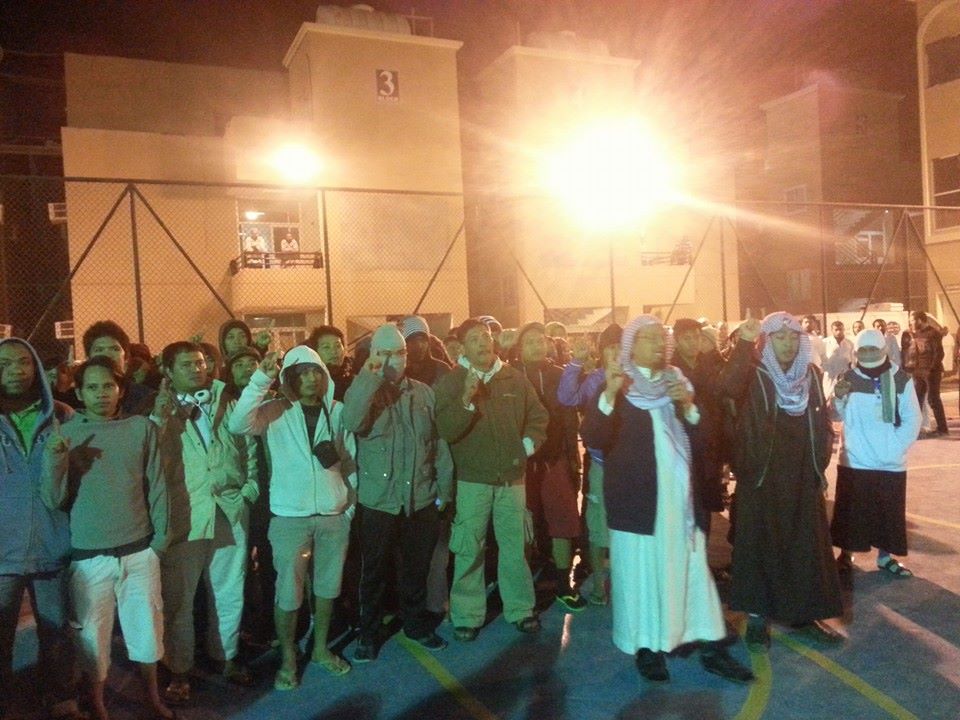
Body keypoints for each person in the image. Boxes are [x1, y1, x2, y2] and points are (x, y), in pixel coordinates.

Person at [580, 315, 753, 684]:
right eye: (648, 337)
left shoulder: (677, 382)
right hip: (637, 506)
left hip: (681, 504)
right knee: (642, 576)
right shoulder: (619, 384)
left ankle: (709, 645)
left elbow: (704, 439)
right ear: (631, 345)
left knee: (691, 572)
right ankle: (648, 648)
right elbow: (594, 436)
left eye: (662, 337)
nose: (659, 343)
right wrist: (609, 395)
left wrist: (688, 405)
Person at [41, 356, 173, 720]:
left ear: (121, 390)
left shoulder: (140, 428)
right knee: (93, 635)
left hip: (139, 550)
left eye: (108, 386)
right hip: (89, 556)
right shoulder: (66, 435)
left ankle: (152, 697)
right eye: (92, 387)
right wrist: (56, 459)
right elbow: (53, 499)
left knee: (147, 630)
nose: (101, 394)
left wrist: (159, 543)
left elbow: (157, 486)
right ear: (80, 392)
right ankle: (97, 703)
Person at [229, 345, 356, 688]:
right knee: (288, 592)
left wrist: (348, 508)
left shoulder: (339, 411)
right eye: (302, 373)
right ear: (289, 378)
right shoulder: (273, 410)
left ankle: (320, 649)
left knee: (327, 588)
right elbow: (237, 423)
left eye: (316, 371)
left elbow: (350, 460)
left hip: (332, 517)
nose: (311, 378)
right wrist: (262, 378)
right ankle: (287, 658)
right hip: (289, 518)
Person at [721, 313, 843, 649]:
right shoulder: (753, 372)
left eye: (793, 337)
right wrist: (744, 344)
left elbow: (821, 422)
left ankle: (804, 614)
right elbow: (726, 387)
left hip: (802, 475)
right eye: (779, 337)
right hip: (762, 475)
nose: (787, 344)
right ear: (767, 340)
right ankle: (757, 617)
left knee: (804, 547)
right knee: (759, 544)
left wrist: (819, 466)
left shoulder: (811, 375)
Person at [152, 341, 258, 704]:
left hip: (230, 508)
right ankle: (179, 669)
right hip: (184, 515)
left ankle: (225, 657)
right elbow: (150, 460)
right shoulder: (159, 409)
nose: (197, 369)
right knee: (179, 598)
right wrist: (160, 418)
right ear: (168, 371)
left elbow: (247, 444)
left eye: (200, 362)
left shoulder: (226, 400)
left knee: (229, 590)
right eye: (186, 365)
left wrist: (250, 487)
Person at [342, 324, 453, 661]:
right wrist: (369, 377)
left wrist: (443, 491)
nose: (395, 359)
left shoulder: (424, 394)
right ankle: (369, 632)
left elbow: (438, 445)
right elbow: (352, 421)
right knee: (373, 572)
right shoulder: (364, 391)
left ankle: (416, 625)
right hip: (379, 501)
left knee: (416, 569)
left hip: (420, 499)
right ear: (374, 355)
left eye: (400, 352)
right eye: (385, 353)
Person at [434, 318, 549, 641]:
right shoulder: (452, 382)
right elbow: (446, 430)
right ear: (463, 347)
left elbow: (539, 417)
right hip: (472, 481)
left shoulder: (514, 378)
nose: (483, 343)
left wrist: (526, 447)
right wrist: (466, 399)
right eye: (474, 339)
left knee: (515, 547)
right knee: (469, 549)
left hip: (512, 479)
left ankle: (521, 609)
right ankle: (467, 615)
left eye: (485, 336)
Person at [0, 338, 82, 720]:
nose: (15, 371)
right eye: (5, 364)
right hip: (3, 552)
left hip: (51, 545)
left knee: (56, 632)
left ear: (35, 367)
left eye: (23, 362)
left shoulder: (62, 417)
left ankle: (61, 695)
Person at [830, 330, 921, 581]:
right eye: (863, 350)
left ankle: (885, 557)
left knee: (887, 513)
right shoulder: (846, 378)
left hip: (889, 462)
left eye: (873, 349)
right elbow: (836, 414)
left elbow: (913, 418)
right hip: (854, 460)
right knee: (851, 512)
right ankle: (845, 555)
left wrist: (895, 447)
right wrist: (838, 396)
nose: (868, 354)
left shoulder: (901, 379)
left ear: (883, 350)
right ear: (856, 352)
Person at [512, 322, 584, 610]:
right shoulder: (510, 376)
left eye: (541, 340)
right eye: (529, 341)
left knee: (562, 520)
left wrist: (572, 457)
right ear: (519, 348)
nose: (537, 345)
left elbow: (569, 418)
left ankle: (563, 583)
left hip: (555, 459)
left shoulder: (561, 374)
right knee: (522, 525)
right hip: (522, 463)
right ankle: (522, 585)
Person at [557, 323, 622, 606]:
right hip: (601, 464)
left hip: (631, 469)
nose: (616, 353)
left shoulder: (638, 378)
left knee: (630, 529)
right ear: (602, 351)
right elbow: (567, 397)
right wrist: (575, 363)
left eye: (621, 347)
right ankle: (598, 586)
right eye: (610, 348)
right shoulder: (595, 380)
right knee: (598, 529)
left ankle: (626, 585)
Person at [82, 320, 154, 414]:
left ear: (126, 357)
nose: (107, 355)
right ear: (88, 358)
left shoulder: (146, 398)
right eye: (99, 350)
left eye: (114, 349)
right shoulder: (76, 400)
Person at [902, 311, 948, 437]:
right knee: (917, 400)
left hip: (931, 372)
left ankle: (942, 429)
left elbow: (939, 353)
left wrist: (931, 369)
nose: (911, 323)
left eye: (913, 320)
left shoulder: (933, 333)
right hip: (917, 371)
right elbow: (907, 352)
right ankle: (915, 429)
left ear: (920, 320)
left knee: (933, 398)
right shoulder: (911, 333)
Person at [400, 315, 451, 387]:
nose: (419, 346)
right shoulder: (399, 372)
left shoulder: (442, 370)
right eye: (413, 341)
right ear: (404, 344)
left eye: (423, 340)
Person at [307, 325, 354, 401]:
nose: (334, 352)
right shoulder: (310, 384)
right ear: (315, 352)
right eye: (326, 347)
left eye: (338, 346)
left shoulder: (354, 382)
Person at [822, 320, 854, 396]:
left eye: (840, 329)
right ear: (832, 330)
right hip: (830, 375)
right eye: (836, 330)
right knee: (828, 397)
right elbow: (821, 359)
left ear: (843, 329)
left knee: (844, 397)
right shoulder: (825, 342)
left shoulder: (849, 343)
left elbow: (853, 361)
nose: (838, 332)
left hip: (845, 375)